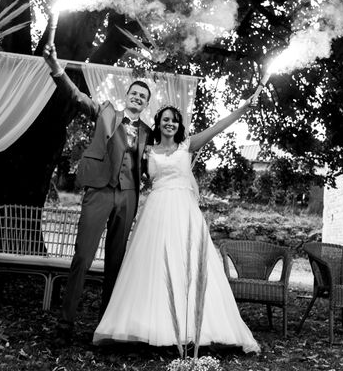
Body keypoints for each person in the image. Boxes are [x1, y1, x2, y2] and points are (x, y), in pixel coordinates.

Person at [93, 93, 262, 354]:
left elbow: (219, 127)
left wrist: (243, 107)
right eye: (164, 120)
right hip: (156, 212)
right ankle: (149, 326)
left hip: (184, 211)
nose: (169, 123)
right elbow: (121, 158)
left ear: (178, 125)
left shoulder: (188, 145)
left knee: (188, 262)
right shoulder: (146, 149)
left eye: (173, 120)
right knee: (153, 265)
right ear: (158, 124)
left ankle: (194, 328)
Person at [43, 45, 152, 335]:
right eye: (134, 94)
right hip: (100, 191)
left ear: (146, 104)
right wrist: (56, 67)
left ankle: (108, 323)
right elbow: (77, 97)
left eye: (143, 97)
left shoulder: (147, 133)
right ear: (127, 97)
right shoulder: (106, 112)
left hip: (128, 195)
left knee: (116, 261)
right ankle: (66, 320)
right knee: (83, 255)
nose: (137, 98)